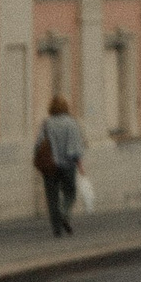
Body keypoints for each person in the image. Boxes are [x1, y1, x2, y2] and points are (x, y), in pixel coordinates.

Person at [33, 93, 84, 236]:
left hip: (50, 165)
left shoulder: (46, 123)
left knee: (52, 197)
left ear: (51, 108)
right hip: (68, 165)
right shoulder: (71, 123)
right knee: (70, 192)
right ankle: (64, 213)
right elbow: (75, 146)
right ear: (65, 107)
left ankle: (56, 229)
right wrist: (79, 164)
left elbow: (38, 144)